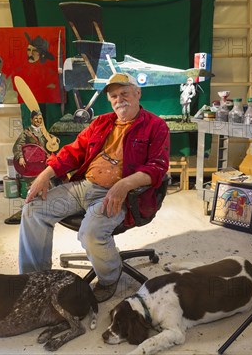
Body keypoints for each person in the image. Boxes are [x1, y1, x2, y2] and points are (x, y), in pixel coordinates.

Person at [18, 72, 170, 302]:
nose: (119, 99)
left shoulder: (155, 126)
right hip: (83, 186)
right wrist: (45, 174)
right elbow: (73, 151)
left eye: (125, 93)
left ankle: (110, 277)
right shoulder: (101, 122)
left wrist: (124, 184)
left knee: (90, 232)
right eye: (114, 96)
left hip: (120, 196)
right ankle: (35, 280)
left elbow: (157, 167)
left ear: (138, 93)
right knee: (33, 209)